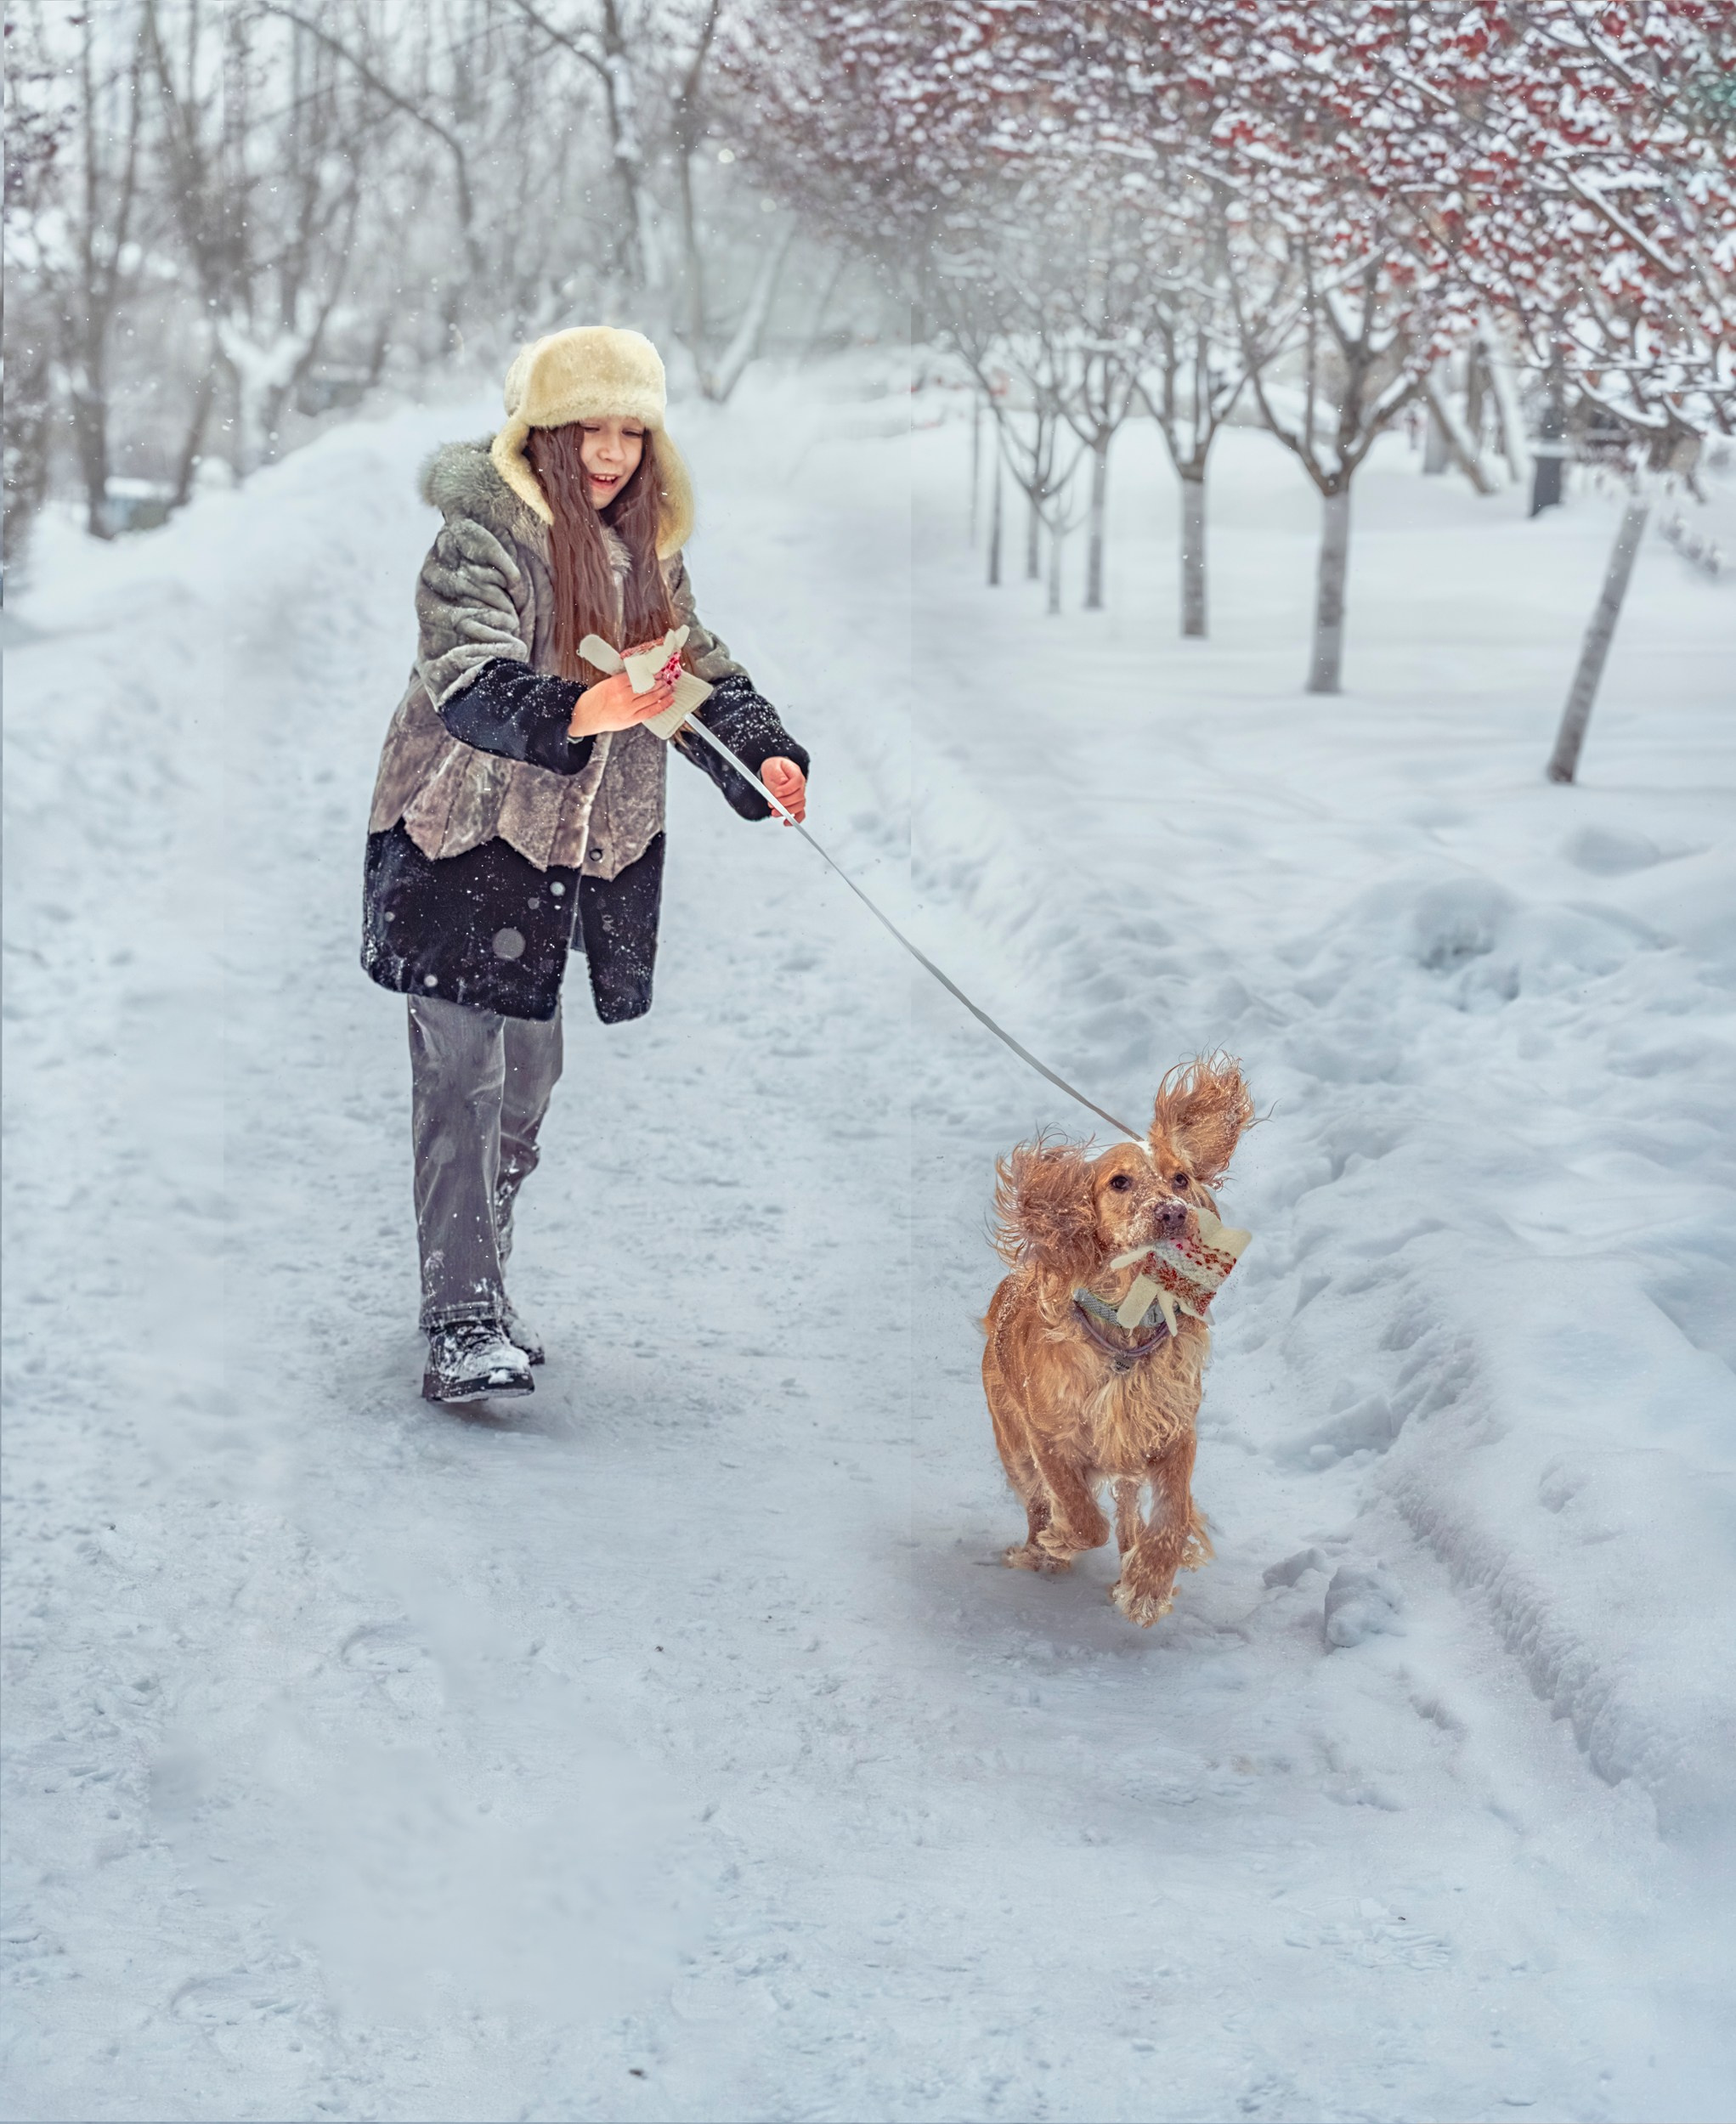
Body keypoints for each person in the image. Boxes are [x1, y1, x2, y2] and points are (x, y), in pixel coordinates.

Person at [361, 327, 809, 1403]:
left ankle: (483, 1278)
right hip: (459, 839)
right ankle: (460, 1316)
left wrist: (764, 754)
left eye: (629, 431)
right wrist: (585, 707)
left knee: (526, 1085)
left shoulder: (644, 548)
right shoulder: (483, 537)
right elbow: (470, 675)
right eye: (588, 430)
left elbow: (693, 663)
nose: (609, 453)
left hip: (559, 859)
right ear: (543, 433)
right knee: (462, 1082)